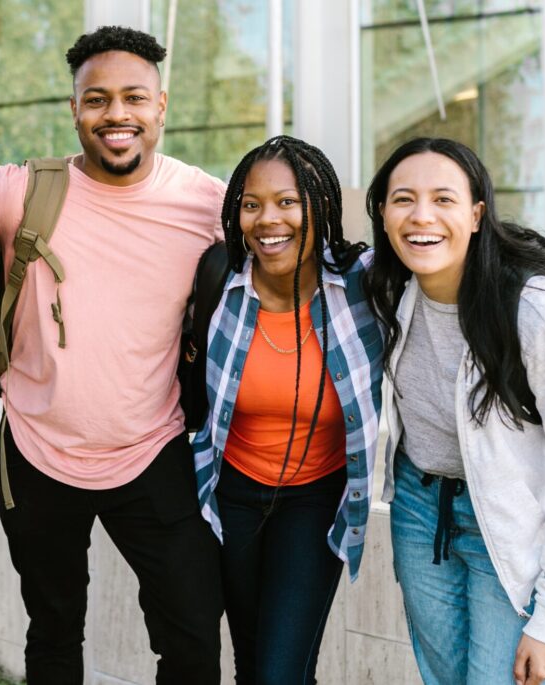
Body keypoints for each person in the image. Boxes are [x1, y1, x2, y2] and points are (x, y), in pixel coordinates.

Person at [0, 26, 226, 684]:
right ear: (74, 110)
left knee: (194, 638)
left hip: (154, 449)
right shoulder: (19, 192)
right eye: (97, 99)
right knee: (54, 631)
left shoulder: (208, 203)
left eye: (134, 98)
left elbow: (300, 248)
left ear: (162, 105)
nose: (117, 114)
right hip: (36, 451)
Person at [363, 137, 545, 685]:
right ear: (382, 214)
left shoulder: (535, 315)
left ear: (476, 215)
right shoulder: (390, 289)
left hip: (510, 523)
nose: (421, 216)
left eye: (443, 200)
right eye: (403, 199)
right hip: (419, 512)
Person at [189, 135, 383, 684]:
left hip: (315, 500)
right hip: (230, 493)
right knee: (253, 664)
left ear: (319, 205)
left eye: (288, 201)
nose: (267, 219)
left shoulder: (362, 283)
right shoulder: (219, 281)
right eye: (251, 204)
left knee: (279, 673)